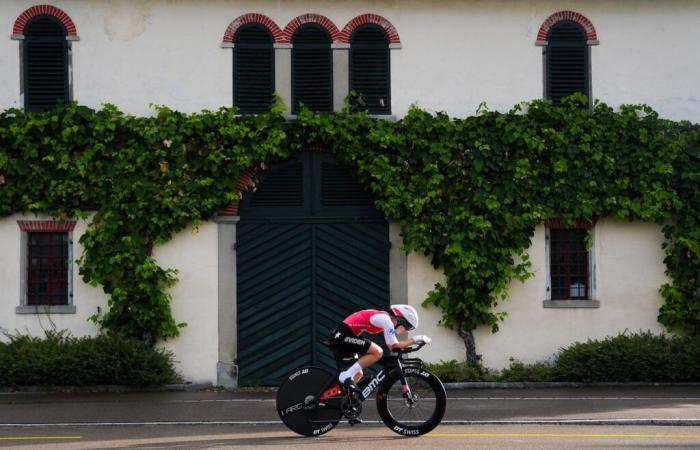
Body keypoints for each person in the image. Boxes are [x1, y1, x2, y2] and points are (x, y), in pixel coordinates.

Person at [329, 304, 431, 387]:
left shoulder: (385, 319)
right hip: (342, 336)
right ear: (401, 320)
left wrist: (413, 341)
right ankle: (345, 375)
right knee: (378, 352)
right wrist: (415, 339)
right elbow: (394, 346)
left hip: (343, 336)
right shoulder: (386, 321)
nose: (406, 330)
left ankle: (343, 401)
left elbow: (393, 344)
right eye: (407, 326)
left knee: (358, 374)